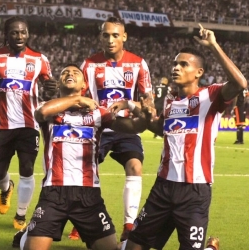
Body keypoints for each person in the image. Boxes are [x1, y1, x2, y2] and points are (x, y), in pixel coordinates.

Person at [119, 24, 247, 250]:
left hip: (194, 191)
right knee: (133, 246)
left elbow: (240, 83)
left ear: (198, 72)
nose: (175, 68)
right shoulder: (170, 100)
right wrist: (138, 110)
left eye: (183, 64)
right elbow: (163, 129)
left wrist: (214, 45)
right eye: (175, 63)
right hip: (163, 187)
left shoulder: (211, 95)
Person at [20, 64, 149, 250]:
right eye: (65, 72)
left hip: (88, 195)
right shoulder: (49, 108)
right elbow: (41, 113)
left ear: (84, 84)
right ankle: (29, 234)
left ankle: (31, 232)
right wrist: (77, 99)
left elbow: (134, 128)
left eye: (75, 73)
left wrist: (140, 111)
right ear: (59, 84)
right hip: (54, 192)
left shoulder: (98, 112)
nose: (70, 74)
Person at [69, 16, 154, 242]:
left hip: (127, 127)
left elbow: (148, 100)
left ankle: (129, 225)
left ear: (124, 37)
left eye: (115, 35)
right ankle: (82, 220)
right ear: (100, 36)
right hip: (97, 127)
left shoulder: (138, 64)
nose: (110, 39)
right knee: (85, 171)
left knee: (135, 167)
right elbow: (79, 97)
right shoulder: (89, 64)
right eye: (105, 35)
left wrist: (138, 106)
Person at [0, 16, 57, 230]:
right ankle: (6, 189)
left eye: (23, 32)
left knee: (27, 168)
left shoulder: (40, 59)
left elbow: (50, 87)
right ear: (7, 34)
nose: (19, 36)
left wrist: (52, 90)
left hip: (29, 124)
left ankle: (21, 214)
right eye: (14, 32)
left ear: (28, 34)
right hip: (1, 125)